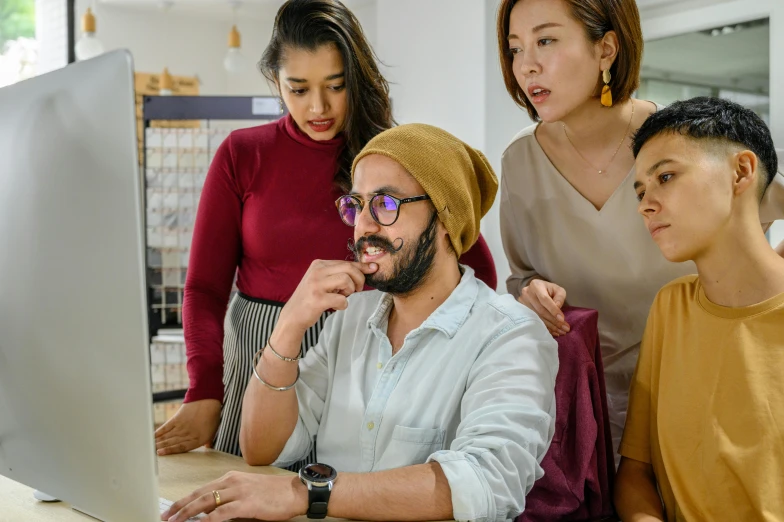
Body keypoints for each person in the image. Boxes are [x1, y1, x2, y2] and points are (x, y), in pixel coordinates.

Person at [154, 0, 498, 464]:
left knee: (348, 492)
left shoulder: (388, 159)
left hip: (364, 353)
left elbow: (473, 264)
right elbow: (203, 288)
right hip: (264, 351)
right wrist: (204, 391)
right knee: (252, 486)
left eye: (336, 86)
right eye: (298, 89)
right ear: (275, 81)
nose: (318, 107)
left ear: (355, 80)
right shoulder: (242, 153)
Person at [161, 124, 558, 522]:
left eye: (385, 204)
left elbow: (485, 482)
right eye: (356, 205)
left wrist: (307, 493)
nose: (364, 225)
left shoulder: (510, 335)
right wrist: (289, 325)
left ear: (445, 218)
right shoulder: (349, 322)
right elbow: (264, 448)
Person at [495, 0, 784, 455]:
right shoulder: (519, 161)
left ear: (607, 48)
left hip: (699, 403)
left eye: (546, 40)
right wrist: (530, 292)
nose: (525, 66)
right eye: (514, 49)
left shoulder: (682, 145)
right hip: (579, 417)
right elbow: (522, 275)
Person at [614, 97, 784, 521]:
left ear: (741, 172)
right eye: (640, 191)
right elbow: (636, 471)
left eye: (666, 177)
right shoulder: (671, 309)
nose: (645, 205)